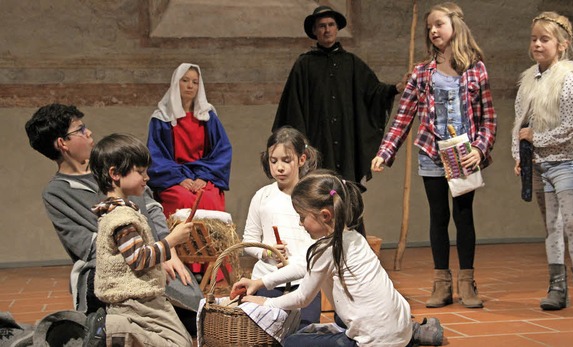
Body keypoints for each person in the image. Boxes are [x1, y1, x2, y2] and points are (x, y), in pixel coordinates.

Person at [24, 103, 202, 336]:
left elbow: (151, 207)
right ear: (62, 143)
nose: (89, 133)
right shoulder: (56, 193)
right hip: (111, 269)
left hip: (152, 255)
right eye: (80, 129)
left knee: (195, 317)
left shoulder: (111, 164)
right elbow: (87, 246)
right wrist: (152, 253)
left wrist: (168, 250)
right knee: (120, 325)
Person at [371, 2, 496, 309]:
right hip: (432, 153)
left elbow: (488, 117)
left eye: (439, 24)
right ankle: (441, 282)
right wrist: (385, 153)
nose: (433, 30)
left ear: (456, 26)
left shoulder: (475, 68)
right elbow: (404, 116)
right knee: (438, 217)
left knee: (463, 216)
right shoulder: (422, 73)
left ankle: (467, 282)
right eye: (430, 27)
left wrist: (480, 148)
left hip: (463, 155)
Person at [233, 170, 444, 347]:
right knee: (335, 318)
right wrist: (260, 282)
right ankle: (415, 332)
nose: (300, 224)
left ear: (324, 215)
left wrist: (266, 301)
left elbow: (302, 298)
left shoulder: (325, 250)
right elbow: (303, 265)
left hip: (374, 342)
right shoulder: (353, 237)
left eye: (302, 217)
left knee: (292, 343)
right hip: (400, 333)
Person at [511, 12, 573, 313]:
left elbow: (570, 126)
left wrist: (535, 139)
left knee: (571, 222)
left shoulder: (568, 79)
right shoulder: (528, 80)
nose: (538, 44)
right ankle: (556, 288)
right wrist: (520, 155)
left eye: (545, 39)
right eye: (534, 39)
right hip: (540, 167)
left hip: (565, 163)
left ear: (562, 44)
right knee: (551, 227)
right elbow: (520, 125)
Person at [272, 6, 407, 186]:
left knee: (346, 193)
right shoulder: (304, 64)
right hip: (317, 140)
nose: (327, 30)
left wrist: (398, 87)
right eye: (322, 26)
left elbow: (374, 92)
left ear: (337, 29)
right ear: (314, 31)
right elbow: (292, 106)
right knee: (317, 192)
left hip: (346, 142)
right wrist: (301, 144)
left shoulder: (351, 63)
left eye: (331, 25)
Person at [90, 133, 193, 345]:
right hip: (135, 300)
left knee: (180, 340)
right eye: (140, 172)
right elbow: (138, 259)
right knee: (180, 344)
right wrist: (172, 240)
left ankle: (120, 330)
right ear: (115, 173)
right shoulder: (122, 218)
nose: (146, 178)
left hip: (141, 297)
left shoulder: (119, 210)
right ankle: (115, 329)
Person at [242, 126, 321, 328]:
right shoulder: (262, 196)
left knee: (305, 332)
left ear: (301, 160)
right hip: (267, 278)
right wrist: (266, 253)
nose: (279, 167)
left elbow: (321, 244)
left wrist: (296, 262)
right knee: (264, 332)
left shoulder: (312, 197)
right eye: (273, 160)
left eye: (286, 160)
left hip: (305, 282)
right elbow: (248, 241)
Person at [147, 63, 232, 218]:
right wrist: (179, 178)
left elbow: (222, 150)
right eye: (185, 80)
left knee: (209, 199)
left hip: (203, 175)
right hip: (173, 177)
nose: (190, 86)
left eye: (195, 82)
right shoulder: (162, 118)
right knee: (182, 199)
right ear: (176, 83)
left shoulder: (208, 117)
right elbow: (156, 156)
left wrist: (204, 177)